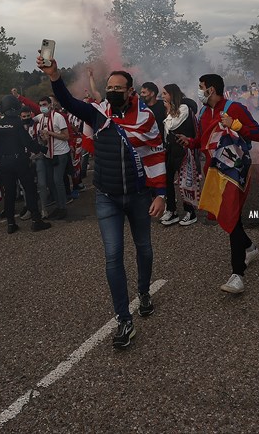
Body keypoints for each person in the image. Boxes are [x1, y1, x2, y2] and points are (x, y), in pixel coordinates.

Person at [38, 57, 165, 350]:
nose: (112, 91)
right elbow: (69, 103)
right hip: (107, 196)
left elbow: (155, 153)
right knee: (113, 256)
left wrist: (160, 194)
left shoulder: (146, 119)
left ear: (131, 91)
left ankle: (144, 292)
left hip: (138, 196)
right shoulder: (98, 113)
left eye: (118, 88)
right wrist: (55, 75)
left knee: (144, 248)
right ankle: (124, 319)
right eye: (109, 87)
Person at [173, 74, 259, 295]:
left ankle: (238, 275)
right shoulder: (203, 112)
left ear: (211, 90)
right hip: (214, 171)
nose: (199, 91)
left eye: (201, 87)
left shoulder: (235, 108)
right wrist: (191, 142)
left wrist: (236, 125)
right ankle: (250, 247)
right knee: (230, 215)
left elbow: (258, 134)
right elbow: (203, 140)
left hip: (235, 169)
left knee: (230, 214)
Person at [0, 96, 52, 233]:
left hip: (4, 162)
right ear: (16, 107)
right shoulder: (17, 123)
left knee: (9, 193)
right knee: (30, 190)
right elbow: (28, 143)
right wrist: (43, 149)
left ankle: (10, 224)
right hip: (19, 161)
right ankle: (36, 221)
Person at [159, 84, 198, 227]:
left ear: (172, 94)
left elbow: (172, 125)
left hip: (182, 150)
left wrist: (169, 110)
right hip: (170, 149)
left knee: (185, 180)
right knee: (167, 180)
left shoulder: (184, 108)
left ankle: (190, 212)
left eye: (165, 93)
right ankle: (171, 210)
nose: (162, 96)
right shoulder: (171, 110)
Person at [32, 96, 71, 220]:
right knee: (50, 181)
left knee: (57, 180)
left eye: (44, 104)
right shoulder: (41, 118)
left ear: (50, 105)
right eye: (40, 105)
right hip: (48, 153)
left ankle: (63, 208)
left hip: (60, 153)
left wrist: (50, 133)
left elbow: (66, 136)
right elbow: (29, 117)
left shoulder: (58, 117)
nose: (42, 107)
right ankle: (58, 206)